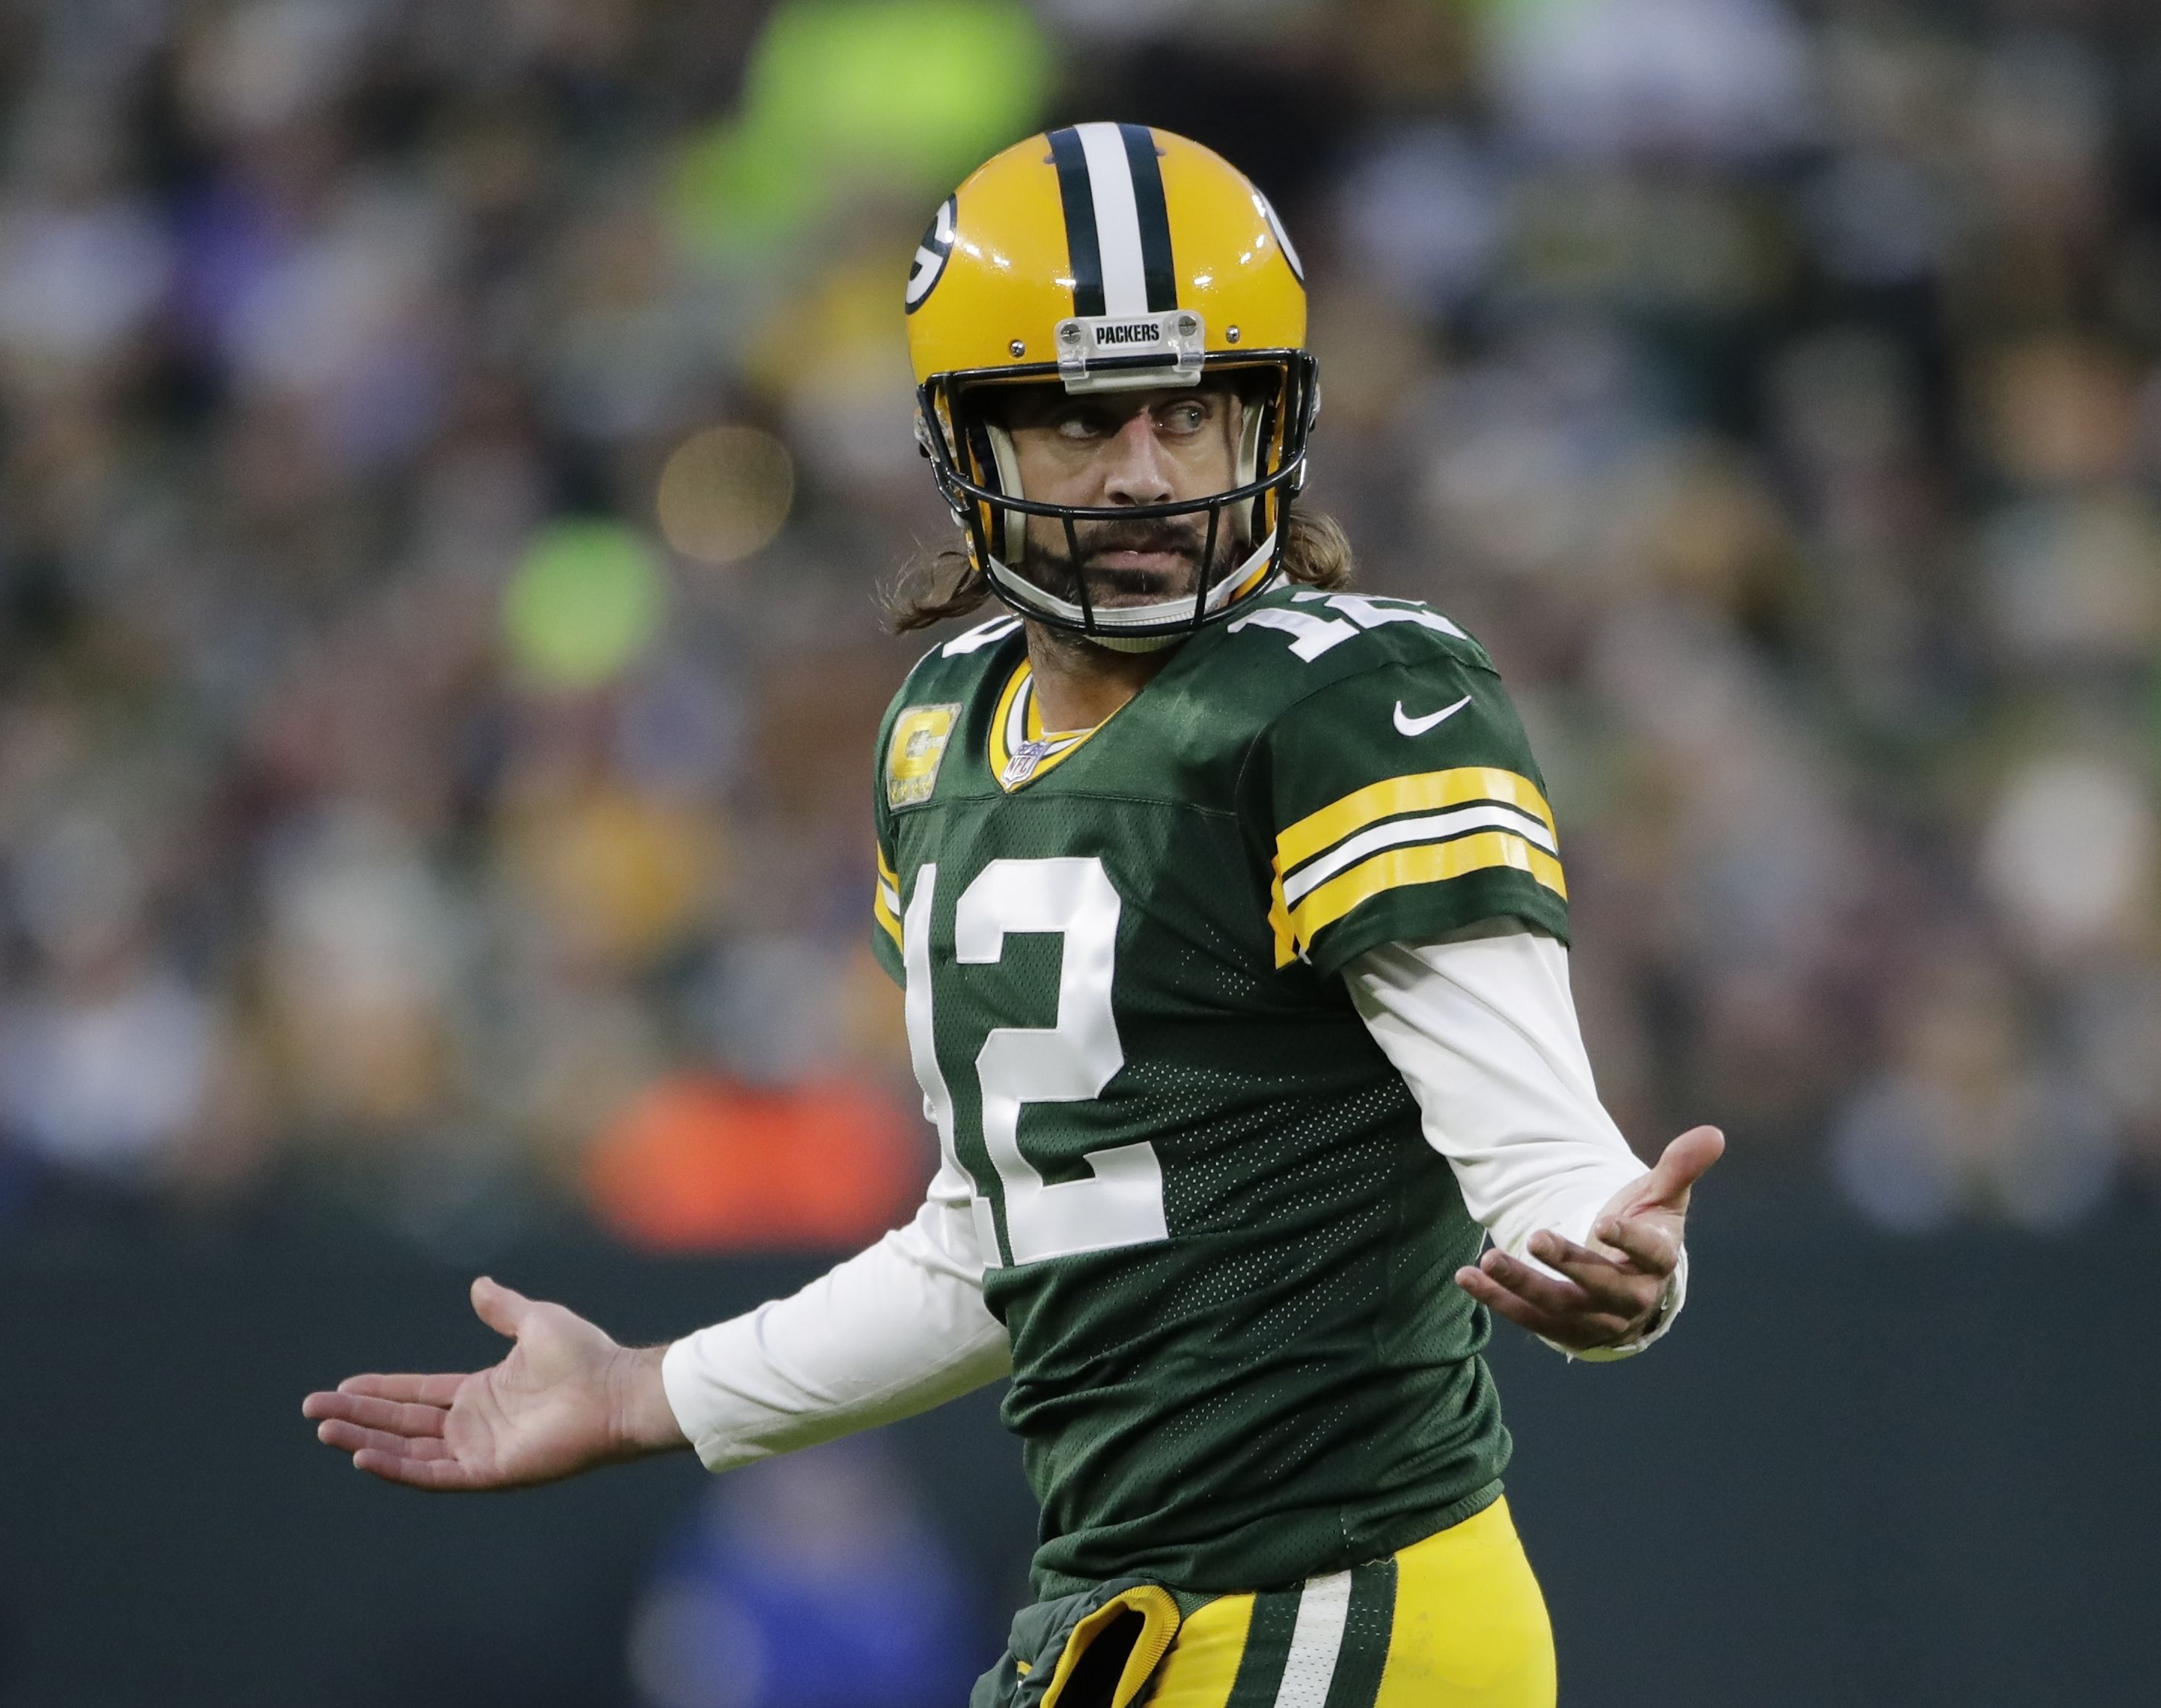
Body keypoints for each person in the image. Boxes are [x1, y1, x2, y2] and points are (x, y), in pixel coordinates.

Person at [304, 125, 1722, 1708]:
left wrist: (1609, 1257)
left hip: (1337, 1591)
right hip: (1135, 1614)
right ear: (965, 446)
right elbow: (999, 1241)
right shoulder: (941, 730)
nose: (1144, 471)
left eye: (1191, 411)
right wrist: (649, 1393)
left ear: (1268, 415)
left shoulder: (1352, 695)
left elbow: (1535, 1143)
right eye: (1074, 420)